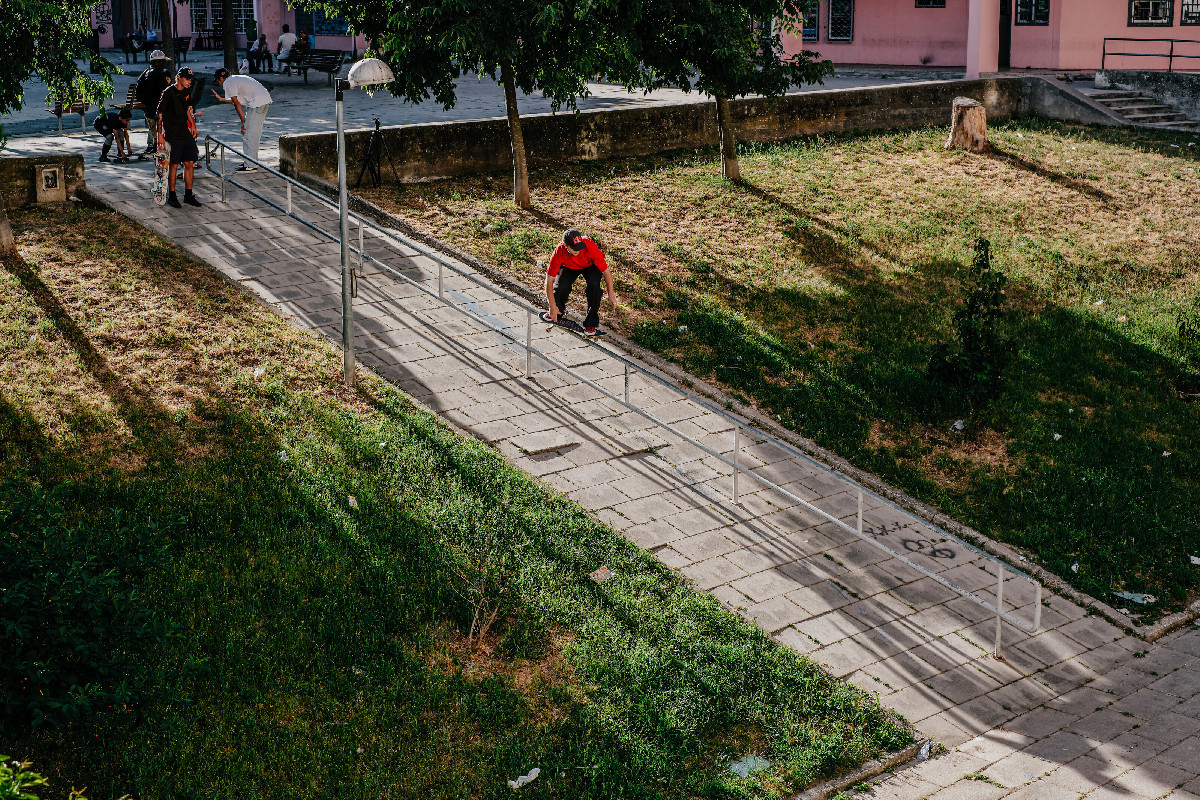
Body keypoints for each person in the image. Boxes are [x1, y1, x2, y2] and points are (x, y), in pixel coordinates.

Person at [543, 229, 619, 335]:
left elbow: (606, 271)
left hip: (590, 266)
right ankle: (557, 312)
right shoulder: (559, 250)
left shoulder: (588, 244)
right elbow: (549, 281)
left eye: (579, 247)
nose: (578, 251)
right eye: (574, 249)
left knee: (594, 286)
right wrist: (551, 306)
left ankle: (591, 323)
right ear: (565, 245)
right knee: (561, 286)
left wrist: (611, 294)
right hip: (569, 267)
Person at [157, 67, 201, 208]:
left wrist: (193, 125)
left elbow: (188, 108)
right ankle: (172, 195)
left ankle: (188, 195)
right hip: (172, 133)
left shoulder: (187, 91)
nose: (189, 82)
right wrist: (160, 135)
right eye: (187, 79)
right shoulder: (168, 93)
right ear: (179, 78)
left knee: (189, 163)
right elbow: (159, 114)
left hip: (185, 132)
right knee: (174, 165)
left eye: (191, 79)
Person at [211, 68, 272, 171]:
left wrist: (243, 121)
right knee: (249, 133)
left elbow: (236, 103)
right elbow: (237, 100)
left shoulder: (228, 83)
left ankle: (251, 165)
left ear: (221, 78)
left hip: (258, 102)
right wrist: (222, 99)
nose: (218, 82)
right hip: (260, 100)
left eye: (218, 80)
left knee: (250, 134)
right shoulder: (233, 79)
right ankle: (249, 161)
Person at [136, 50, 173, 154]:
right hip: (163, 112)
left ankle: (157, 154)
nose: (164, 64)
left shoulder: (144, 75)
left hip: (149, 111)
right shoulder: (164, 74)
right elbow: (168, 92)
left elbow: (138, 94)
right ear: (158, 62)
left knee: (156, 136)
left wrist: (147, 104)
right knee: (165, 137)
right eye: (163, 62)